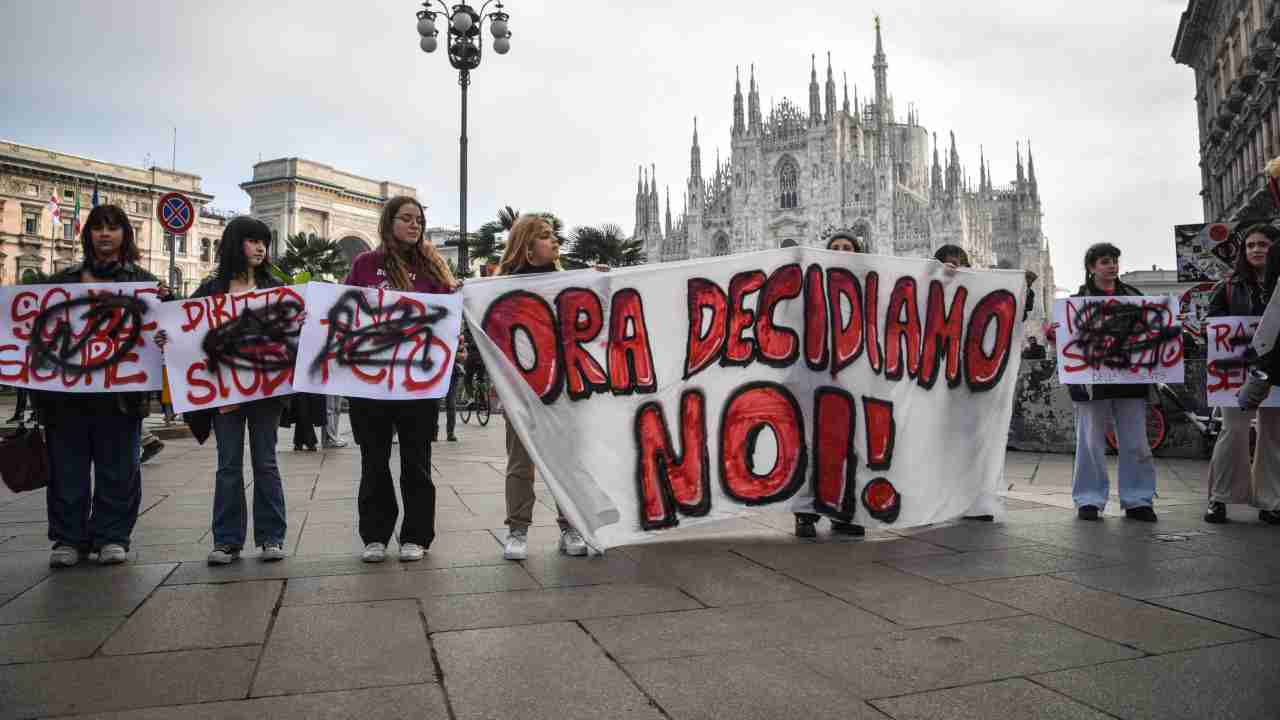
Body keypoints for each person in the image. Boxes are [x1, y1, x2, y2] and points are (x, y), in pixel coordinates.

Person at [35, 204, 171, 567]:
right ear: (88, 235)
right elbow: (34, 328)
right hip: (66, 396)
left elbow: (171, 331)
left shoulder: (146, 284)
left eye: (112, 228)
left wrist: (165, 325)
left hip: (121, 396)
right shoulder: (60, 282)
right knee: (67, 468)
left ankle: (113, 536)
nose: (105, 234)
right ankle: (68, 538)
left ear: (125, 234)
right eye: (98, 228)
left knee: (119, 468)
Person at [164, 216, 291, 564]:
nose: (260, 247)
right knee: (228, 465)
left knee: (266, 463)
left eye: (264, 241)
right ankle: (227, 540)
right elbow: (183, 327)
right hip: (224, 393)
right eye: (252, 240)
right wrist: (168, 337)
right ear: (235, 244)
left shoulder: (275, 287)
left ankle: (271, 538)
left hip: (266, 391)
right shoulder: (210, 289)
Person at [346, 196, 458, 563]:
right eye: (407, 218)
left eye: (419, 220)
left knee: (416, 460)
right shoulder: (365, 265)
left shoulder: (434, 269)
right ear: (388, 222)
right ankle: (375, 534)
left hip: (417, 385)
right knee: (373, 460)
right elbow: (344, 312)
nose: (415, 225)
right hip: (370, 385)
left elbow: (450, 317)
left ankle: (416, 535)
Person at [496, 214, 604, 560]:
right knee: (520, 462)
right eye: (545, 237)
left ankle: (570, 525)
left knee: (566, 459)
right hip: (521, 389)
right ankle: (517, 529)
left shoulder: (567, 281)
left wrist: (600, 282)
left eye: (554, 235)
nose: (555, 241)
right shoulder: (500, 287)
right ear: (527, 247)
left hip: (562, 386)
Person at [1048, 242, 1158, 522]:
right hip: (1090, 381)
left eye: (1114, 261)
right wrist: (1054, 333)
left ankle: (1138, 500)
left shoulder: (1134, 297)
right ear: (1092, 267)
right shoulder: (1077, 301)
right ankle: (1089, 499)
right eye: (1105, 261)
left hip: (1130, 379)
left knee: (1136, 442)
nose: (1112, 266)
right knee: (1089, 441)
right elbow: (1066, 337)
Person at [795, 231, 868, 539]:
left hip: (854, 378)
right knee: (809, 446)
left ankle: (843, 512)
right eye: (835, 247)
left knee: (849, 448)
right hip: (813, 375)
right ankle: (806, 516)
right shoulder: (810, 284)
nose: (840, 251)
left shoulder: (870, 285)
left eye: (847, 248)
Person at [1217, 226, 1280, 525]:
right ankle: (1220, 498)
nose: (1257, 249)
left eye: (1264, 244)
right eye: (1251, 245)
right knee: (1233, 431)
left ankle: (1272, 500)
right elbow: (1211, 325)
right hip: (1236, 371)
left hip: (1275, 368)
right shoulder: (1230, 286)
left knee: (1273, 435)